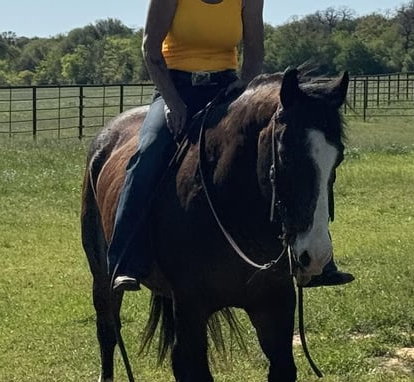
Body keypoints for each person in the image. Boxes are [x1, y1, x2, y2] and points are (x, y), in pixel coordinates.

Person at [109, 0, 352, 292]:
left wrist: (246, 82)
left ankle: (315, 255)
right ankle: (126, 259)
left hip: (227, 89)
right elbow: (151, 49)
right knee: (148, 153)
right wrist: (172, 101)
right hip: (176, 87)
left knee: (283, 157)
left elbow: (255, 49)